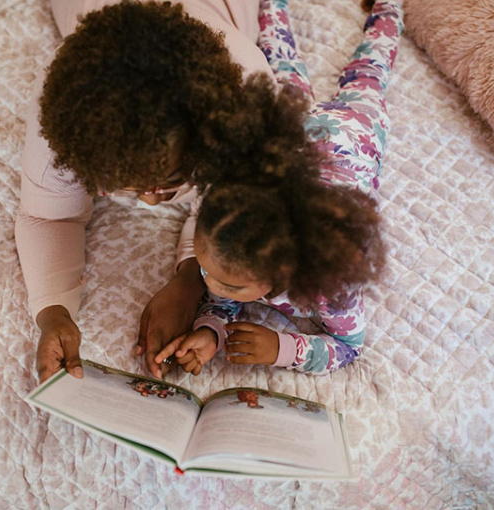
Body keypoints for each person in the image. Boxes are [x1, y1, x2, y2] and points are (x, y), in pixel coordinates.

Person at [16, 0, 310, 382]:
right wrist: (53, 311)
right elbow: (46, 214)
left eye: (168, 183)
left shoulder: (247, 104)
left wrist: (191, 276)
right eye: (122, 187)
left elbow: (231, 206)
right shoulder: (61, 116)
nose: (150, 201)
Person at [154, 0, 404, 375]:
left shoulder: (330, 289)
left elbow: (349, 346)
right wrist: (209, 330)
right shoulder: (230, 253)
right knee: (274, 52)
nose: (209, 285)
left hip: (356, 129)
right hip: (292, 131)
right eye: (206, 272)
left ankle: (391, 6)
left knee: (371, 66)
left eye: (226, 284)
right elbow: (222, 294)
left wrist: (283, 348)